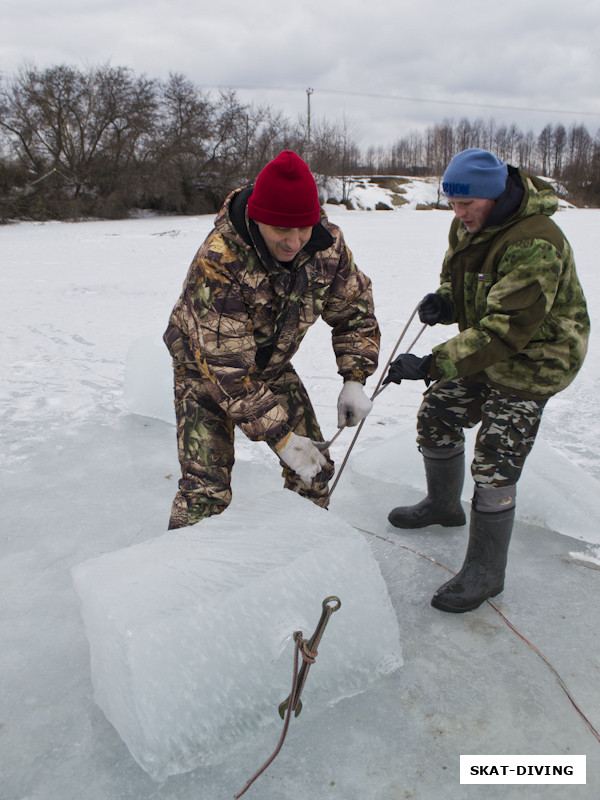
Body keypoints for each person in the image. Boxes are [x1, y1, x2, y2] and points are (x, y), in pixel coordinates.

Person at [383, 148, 590, 613]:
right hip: (488, 350)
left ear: (494, 197)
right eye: (452, 204)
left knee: (495, 457)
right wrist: (446, 303)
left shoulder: (536, 242)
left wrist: (432, 363)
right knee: (437, 412)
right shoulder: (468, 224)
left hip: (536, 358)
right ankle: (443, 506)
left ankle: (486, 572)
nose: (458, 215)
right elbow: (462, 282)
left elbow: (505, 330)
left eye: (466, 205)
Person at [163, 150, 380, 529]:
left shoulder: (326, 246)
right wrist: (282, 440)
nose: (294, 242)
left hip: (271, 365)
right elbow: (226, 370)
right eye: (282, 229)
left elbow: (354, 309)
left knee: (315, 470)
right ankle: (188, 583)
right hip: (204, 369)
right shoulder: (219, 262)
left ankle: (297, 561)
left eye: (303, 229)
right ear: (259, 218)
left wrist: (355, 378)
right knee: (205, 492)